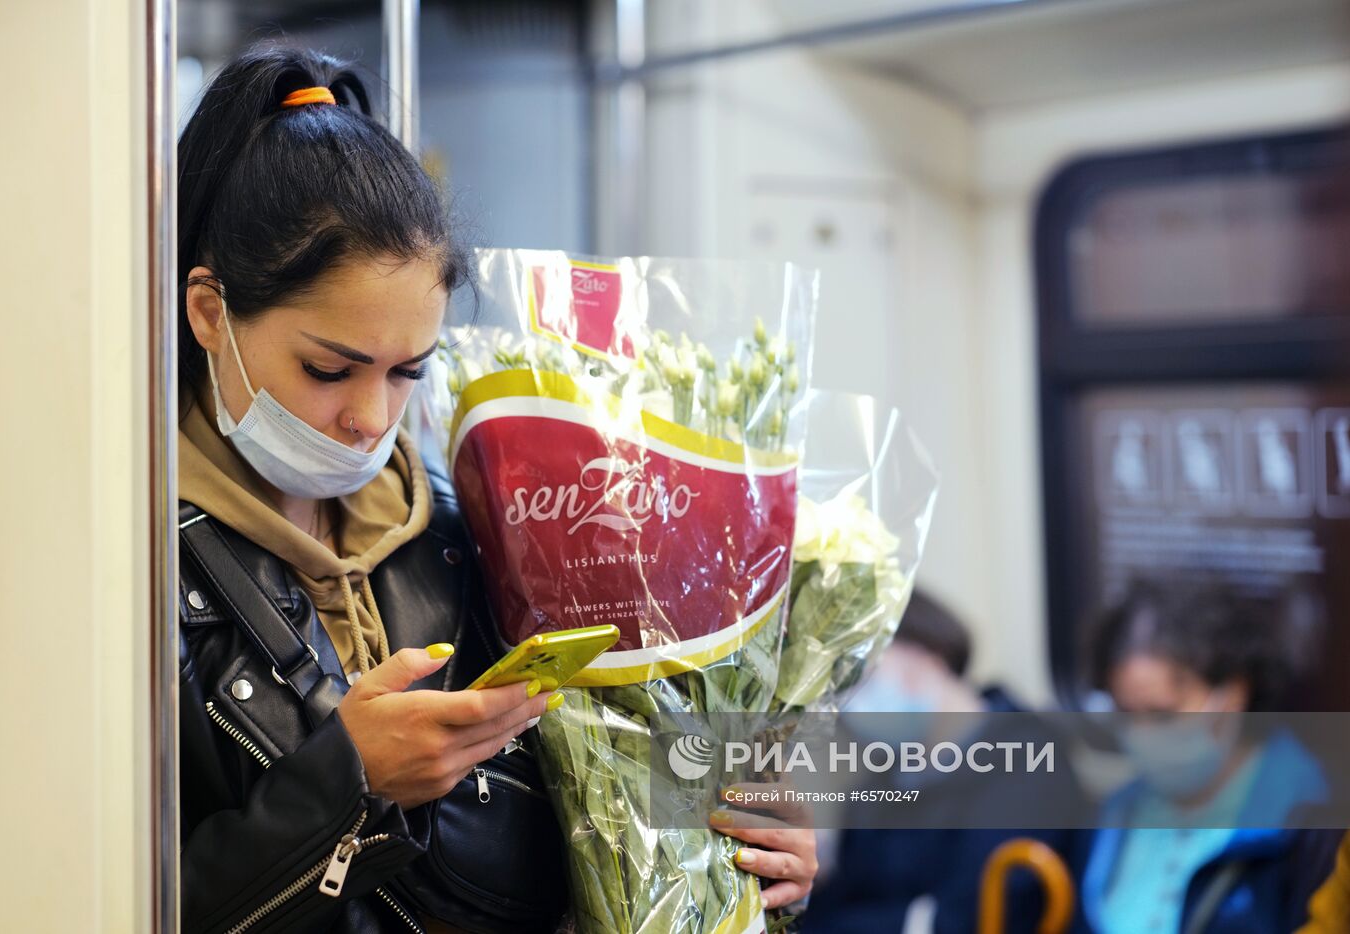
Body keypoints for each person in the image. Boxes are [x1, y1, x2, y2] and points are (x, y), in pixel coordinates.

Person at [175, 45, 817, 933]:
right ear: (210, 313)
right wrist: (346, 785)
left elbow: (581, 788)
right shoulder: (138, 566)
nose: (370, 416)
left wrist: (724, 828)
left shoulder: (462, 518)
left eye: (409, 372)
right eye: (330, 368)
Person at [803, 591, 1085, 934]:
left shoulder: (1028, 760)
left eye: (862, 677)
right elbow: (831, 909)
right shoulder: (881, 784)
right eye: (838, 692)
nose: (852, 705)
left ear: (928, 651)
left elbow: (968, 918)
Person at [1077, 581, 1340, 934]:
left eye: (1162, 715)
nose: (1142, 737)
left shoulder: (1310, 826)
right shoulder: (1113, 815)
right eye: (1127, 715)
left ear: (1232, 696)